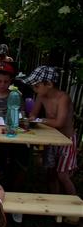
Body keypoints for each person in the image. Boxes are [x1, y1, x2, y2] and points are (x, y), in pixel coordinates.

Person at [24, 66, 77, 195]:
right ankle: (55, 199)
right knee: (51, 173)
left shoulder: (63, 98)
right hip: (52, 139)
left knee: (62, 175)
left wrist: (39, 120)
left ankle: (75, 203)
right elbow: (33, 114)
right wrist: (31, 118)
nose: (34, 89)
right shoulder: (41, 96)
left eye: (37, 86)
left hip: (67, 141)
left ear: (48, 84)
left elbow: (59, 122)